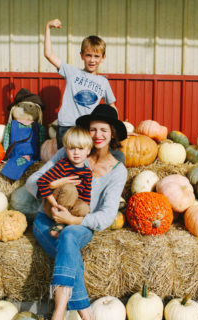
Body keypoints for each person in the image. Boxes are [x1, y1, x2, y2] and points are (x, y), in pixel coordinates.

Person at [26, 104, 127, 320]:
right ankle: (85, 314)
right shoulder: (72, 151)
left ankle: (59, 312)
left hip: (81, 224)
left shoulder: (118, 171)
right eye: (93, 129)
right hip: (47, 220)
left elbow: (107, 215)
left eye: (104, 130)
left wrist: (73, 219)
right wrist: (57, 183)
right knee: (70, 253)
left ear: (113, 134)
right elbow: (32, 182)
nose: (97, 135)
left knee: (69, 234)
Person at [44, 18, 117, 149]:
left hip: (86, 128)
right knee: (65, 162)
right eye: (88, 55)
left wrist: (118, 127)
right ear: (82, 55)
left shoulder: (103, 82)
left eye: (96, 56)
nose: (92, 60)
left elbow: (112, 106)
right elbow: (48, 55)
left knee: (83, 162)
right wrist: (48, 27)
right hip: (67, 126)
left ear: (103, 58)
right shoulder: (72, 72)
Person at [36, 126, 93, 237]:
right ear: (66, 149)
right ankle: (60, 223)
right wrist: (55, 205)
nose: (76, 152)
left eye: (81, 149)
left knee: (85, 207)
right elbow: (41, 182)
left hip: (70, 207)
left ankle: (66, 221)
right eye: (72, 148)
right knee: (69, 188)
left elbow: (86, 196)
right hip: (53, 206)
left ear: (88, 150)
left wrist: (81, 214)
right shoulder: (62, 165)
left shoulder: (87, 173)